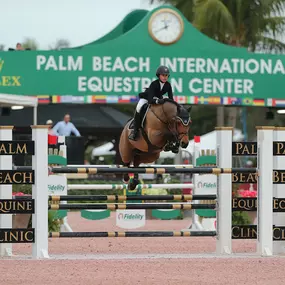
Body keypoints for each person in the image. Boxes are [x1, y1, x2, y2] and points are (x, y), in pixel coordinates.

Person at [128, 65, 174, 141]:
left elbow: (171, 99)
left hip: (159, 98)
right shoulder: (154, 84)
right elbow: (150, 100)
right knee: (139, 108)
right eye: (163, 75)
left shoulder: (168, 85)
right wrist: (158, 101)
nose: (165, 77)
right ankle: (135, 131)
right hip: (147, 98)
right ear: (158, 76)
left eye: (166, 75)